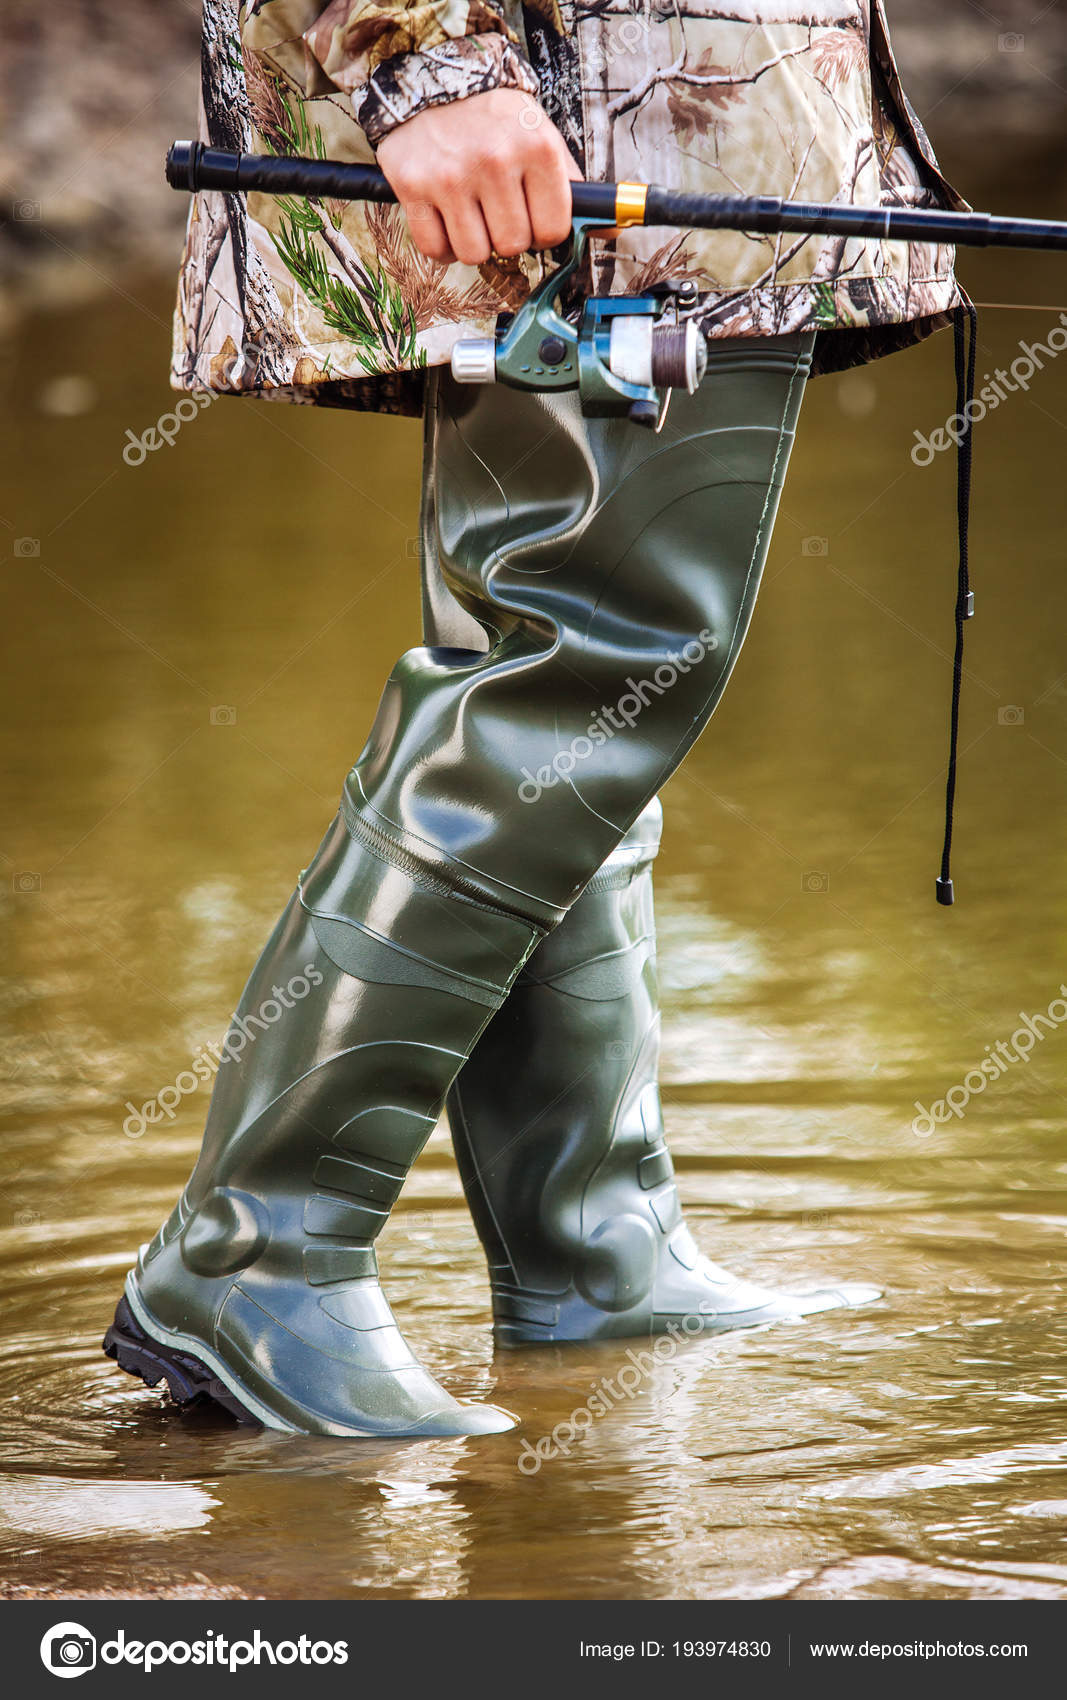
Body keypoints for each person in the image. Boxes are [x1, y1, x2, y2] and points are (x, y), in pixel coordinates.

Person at [104, 0, 964, 1437]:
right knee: (590, 658)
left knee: (566, 669)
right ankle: (258, 1253)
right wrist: (419, 60)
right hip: (566, 116)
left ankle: (590, 1239)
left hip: (658, 112)